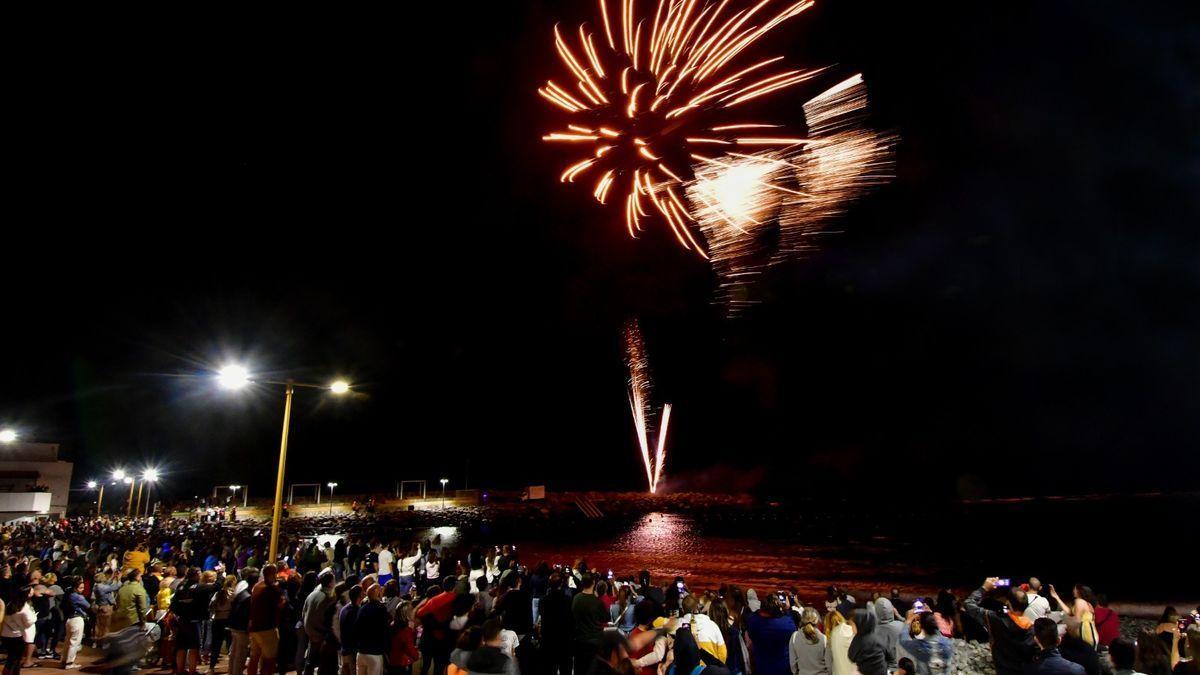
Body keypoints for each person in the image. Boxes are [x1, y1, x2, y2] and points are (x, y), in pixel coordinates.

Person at [962, 577, 1036, 675]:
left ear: (1008, 603)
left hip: (1002, 669)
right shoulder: (1032, 627)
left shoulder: (994, 618)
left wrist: (984, 588)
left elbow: (968, 604)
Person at [247, 564, 286, 675]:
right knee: (269, 660)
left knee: (254, 657)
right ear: (272, 574)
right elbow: (281, 605)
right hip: (267, 629)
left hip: (255, 628)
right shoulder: (272, 589)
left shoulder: (257, 586)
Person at [747, 592, 796, 675]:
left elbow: (754, 615)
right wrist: (786, 610)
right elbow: (792, 626)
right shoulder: (786, 625)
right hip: (782, 668)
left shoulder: (753, 622)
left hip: (761, 667)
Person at [572, 573, 610, 675]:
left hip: (579, 639)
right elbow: (606, 618)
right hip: (594, 641)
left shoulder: (576, 598)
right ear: (593, 583)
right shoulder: (596, 602)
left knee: (579, 669)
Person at [538, 573, 574, 675]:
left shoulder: (543, 601)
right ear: (561, 584)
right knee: (566, 670)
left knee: (549, 670)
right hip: (564, 641)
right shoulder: (568, 600)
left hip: (548, 640)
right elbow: (571, 620)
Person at [302, 570, 337, 675]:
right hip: (318, 632)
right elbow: (321, 617)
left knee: (310, 659)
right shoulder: (325, 597)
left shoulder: (313, 593)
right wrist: (324, 631)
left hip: (309, 629)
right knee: (322, 660)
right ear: (330, 583)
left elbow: (304, 611)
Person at [1048, 584, 1099, 650]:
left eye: (1074, 589)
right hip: (1088, 636)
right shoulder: (1084, 602)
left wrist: (1063, 621)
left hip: (1086, 636)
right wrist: (1056, 597)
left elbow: (1076, 620)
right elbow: (1069, 612)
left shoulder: (1079, 601)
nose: (1073, 591)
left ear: (1078, 591)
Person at [355, 585, 390, 675]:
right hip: (374, 653)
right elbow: (384, 630)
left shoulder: (362, 609)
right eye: (381, 591)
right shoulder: (381, 609)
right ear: (378, 593)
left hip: (361, 653)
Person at [3, 588, 37, 675]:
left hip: (5, 635)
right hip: (17, 636)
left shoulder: (10, 604)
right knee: (15, 659)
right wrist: (35, 617)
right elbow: (29, 622)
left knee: (11, 658)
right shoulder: (24, 607)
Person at [209, 574, 238, 675]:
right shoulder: (233, 593)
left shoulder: (218, 593)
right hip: (228, 621)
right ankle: (231, 668)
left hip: (217, 620)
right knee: (231, 645)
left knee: (216, 645)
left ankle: (211, 668)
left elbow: (211, 606)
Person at [60, 576, 90, 669]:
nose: (82, 589)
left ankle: (64, 660)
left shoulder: (68, 593)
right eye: (81, 588)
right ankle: (69, 663)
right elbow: (87, 605)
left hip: (69, 619)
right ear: (75, 587)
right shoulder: (77, 596)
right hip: (76, 619)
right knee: (74, 642)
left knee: (67, 641)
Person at [788, 607, 828, 675]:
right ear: (816, 620)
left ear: (802, 619)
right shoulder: (824, 638)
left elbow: (793, 663)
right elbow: (828, 663)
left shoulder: (794, 636)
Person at [847, 608, 888, 675]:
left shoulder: (859, 640)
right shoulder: (877, 636)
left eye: (852, 624)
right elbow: (887, 653)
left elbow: (851, 657)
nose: (851, 627)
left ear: (859, 624)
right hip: (882, 671)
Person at [110, 569, 148, 633]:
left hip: (121, 620)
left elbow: (116, 604)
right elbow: (142, 608)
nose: (141, 577)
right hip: (133, 622)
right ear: (137, 577)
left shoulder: (122, 589)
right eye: (140, 576)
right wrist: (143, 622)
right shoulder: (139, 589)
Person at [387, 602, 420, 675]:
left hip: (392, 661)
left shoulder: (393, 624)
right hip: (402, 663)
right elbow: (409, 647)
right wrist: (417, 655)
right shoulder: (406, 629)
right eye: (411, 610)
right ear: (407, 613)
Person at [873, 597, 905, 668]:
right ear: (891, 610)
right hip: (903, 667)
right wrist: (898, 616)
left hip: (886, 669)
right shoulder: (901, 625)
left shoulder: (873, 631)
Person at [340, 586, 364, 675]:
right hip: (352, 650)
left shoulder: (344, 609)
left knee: (345, 670)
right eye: (363, 593)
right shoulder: (356, 611)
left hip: (345, 648)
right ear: (359, 596)